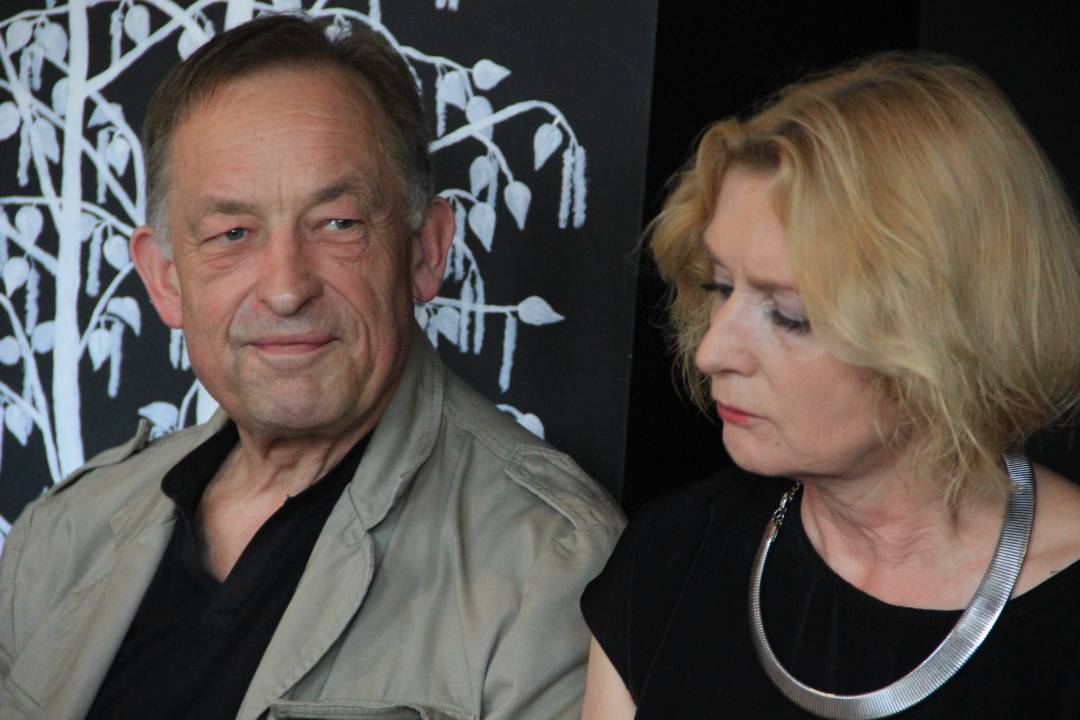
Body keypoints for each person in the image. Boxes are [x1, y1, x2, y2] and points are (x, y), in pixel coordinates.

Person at [0, 14, 623, 720]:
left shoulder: (550, 567)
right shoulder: (61, 536)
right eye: (232, 234)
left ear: (425, 251)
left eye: (338, 224)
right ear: (165, 279)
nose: (286, 288)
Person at [580, 52, 1080, 719]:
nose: (710, 351)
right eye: (721, 287)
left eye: (790, 315)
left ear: (950, 335)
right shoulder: (674, 554)